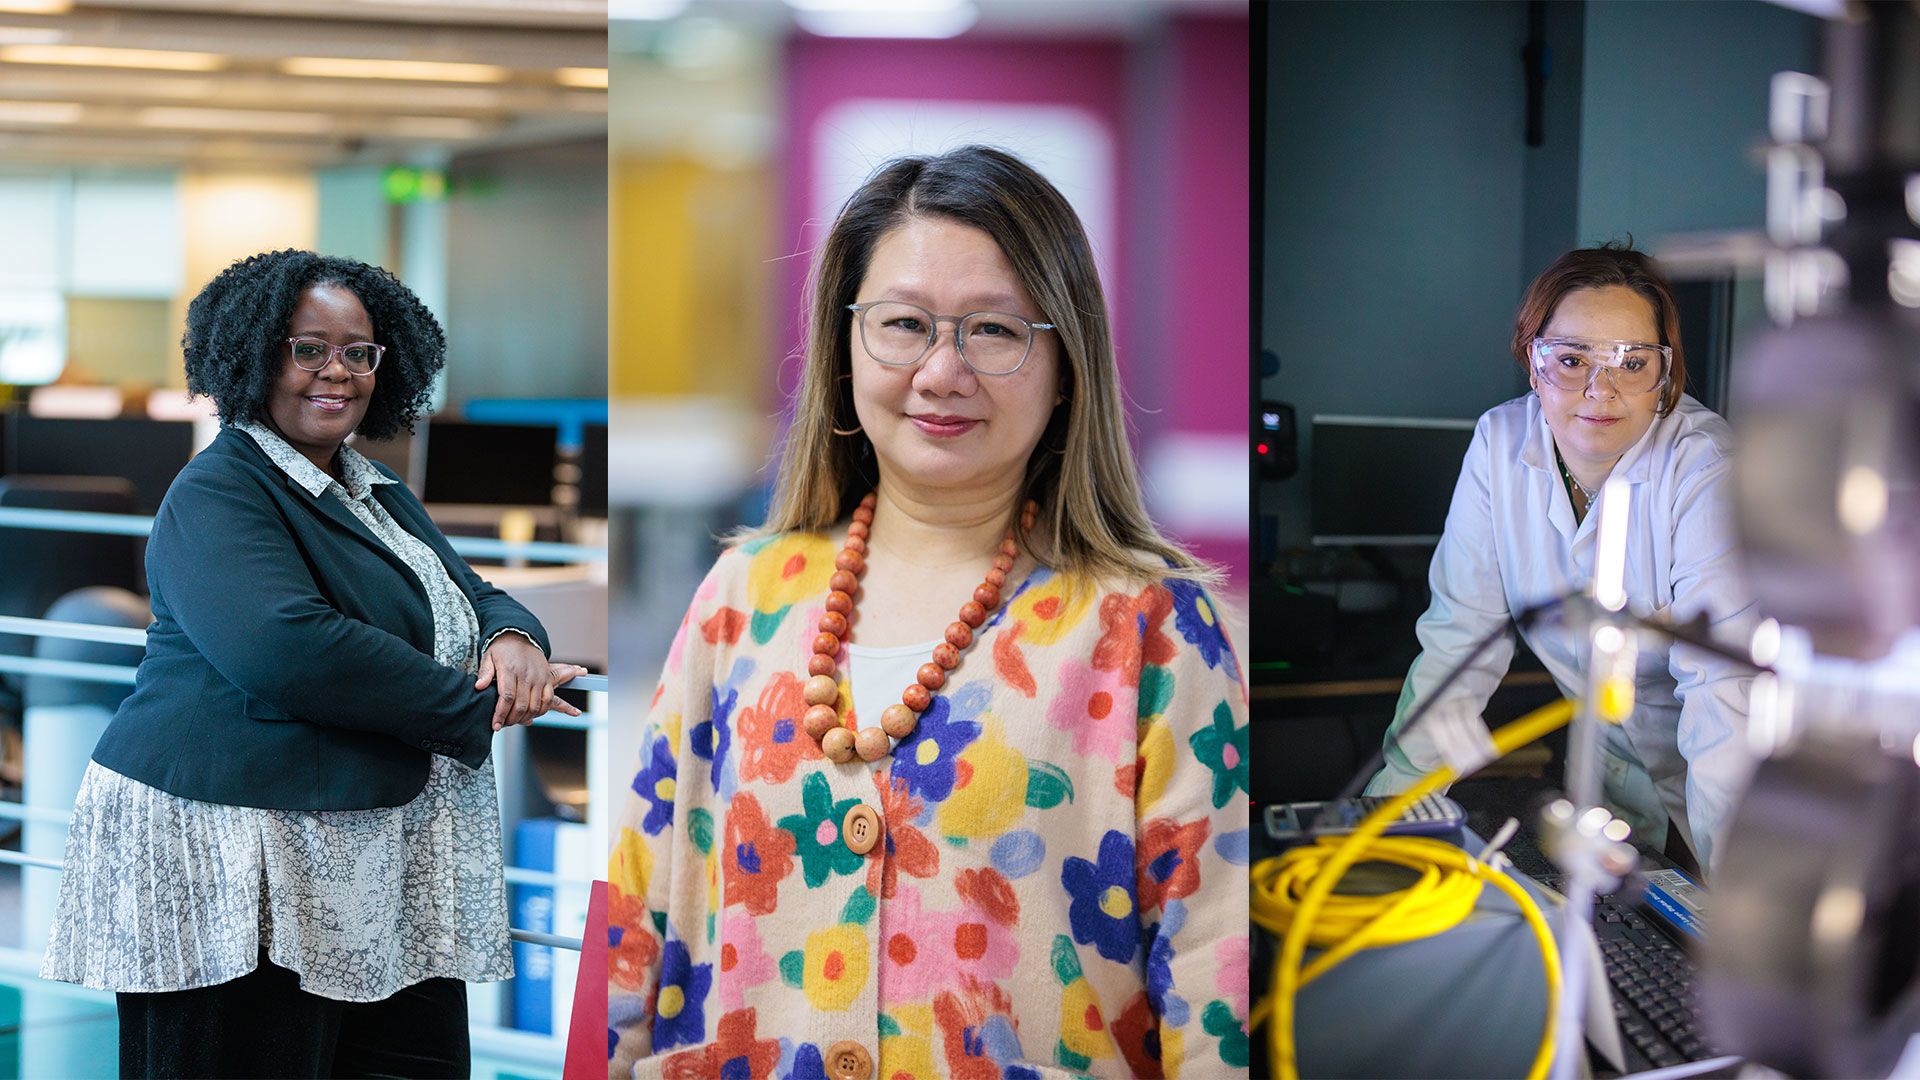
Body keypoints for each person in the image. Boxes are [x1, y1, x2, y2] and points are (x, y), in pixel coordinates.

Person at [607, 147, 1251, 1078]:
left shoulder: (1152, 627)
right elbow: (638, 909)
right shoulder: (745, 594)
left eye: (994, 331)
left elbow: (1216, 971)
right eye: (904, 323)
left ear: (1065, 363)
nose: (942, 371)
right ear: (846, 344)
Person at [39, 250, 590, 1078]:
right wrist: (478, 705)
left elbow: (473, 591)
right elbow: (291, 649)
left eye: (359, 352)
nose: (338, 371)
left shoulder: (375, 487)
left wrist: (517, 643)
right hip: (235, 857)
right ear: (255, 355)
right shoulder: (219, 491)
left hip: (377, 845)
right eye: (308, 348)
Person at [1364, 244, 1758, 875]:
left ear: (1665, 372)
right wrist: (1384, 825)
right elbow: (1457, 642)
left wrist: (1744, 909)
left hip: (1724, 796)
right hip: (1599, 786)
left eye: (1633, 363)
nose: (1600, 391)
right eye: (1572, 359)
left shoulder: (1706, 469)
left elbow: (1723, 694)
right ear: (1533, 363)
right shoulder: (1500, 443)